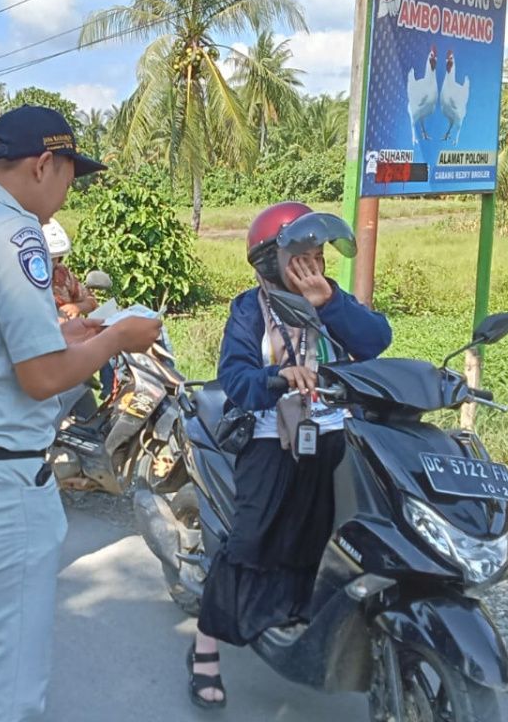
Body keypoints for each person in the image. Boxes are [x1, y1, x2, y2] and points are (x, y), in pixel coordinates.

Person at [0, 105, 163, 722]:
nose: (67, 192)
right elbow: (41, 377)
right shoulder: (15, 232)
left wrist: (74, 329)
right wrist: (115, 338)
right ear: (44, 162)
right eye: (69, 177)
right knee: (14, 691)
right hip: (1, 486)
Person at [187, 201, 393, 710]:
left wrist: (329, 303)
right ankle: (205, 646)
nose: (313, 263)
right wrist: (277, 378)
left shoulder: (332, 301)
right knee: (249, 542)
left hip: (335, 437)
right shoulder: (249, 309)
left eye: (318, 253)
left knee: (339, 534)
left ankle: (309, 620)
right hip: (269, 438)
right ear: (268, 260)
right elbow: (235, 378)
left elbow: (376, 343)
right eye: (300, 255)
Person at [42, 218, 98, 319]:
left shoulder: (62, 274)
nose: (49, 264)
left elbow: (91, 302)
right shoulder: (19, 283)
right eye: (44, 259)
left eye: (54, 259)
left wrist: (77, 307)